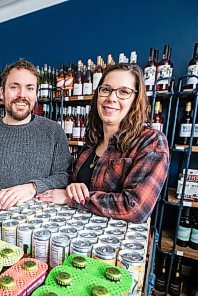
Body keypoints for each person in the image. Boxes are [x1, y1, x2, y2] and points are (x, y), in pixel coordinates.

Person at [37, 63, 169, 223]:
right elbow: (74, 186)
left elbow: (135, 208)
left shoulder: (150, 141)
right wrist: (72, 189)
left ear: (135, 99)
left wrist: (71, 199)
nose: (112, 98)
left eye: (124, 92)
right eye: (106, 89)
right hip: (79, 234)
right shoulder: (91, 143)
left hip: (120, 243)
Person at [0, 59, 70, 210]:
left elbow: (63, 176)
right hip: (0, 222)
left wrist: (33, 187)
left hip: (45, 222)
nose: (22, 95)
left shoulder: (53, 131)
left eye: (29, 88)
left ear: (36, 95)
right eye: (14, 87)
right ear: (2, 93)